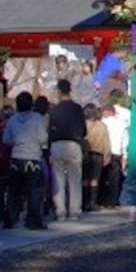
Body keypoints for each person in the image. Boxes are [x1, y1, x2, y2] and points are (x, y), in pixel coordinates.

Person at [3, 91, 49, 230]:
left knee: (14, 191)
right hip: (33, 157)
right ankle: (33, 220)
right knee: (34, 191)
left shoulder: (12, 119)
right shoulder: (37, 119)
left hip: (16, 157)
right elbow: (43, 138)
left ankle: (11, 218)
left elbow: (6, 139)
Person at [48, 79, 86, 220]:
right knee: (75, 180)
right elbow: (84, 130)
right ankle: (74, 211)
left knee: (58, 180)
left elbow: (49, 130)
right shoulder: (77, 108)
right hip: (74, 144)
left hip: (57, 144)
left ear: (59, 91)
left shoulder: (54, 109)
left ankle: (60, 211)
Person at [82, 103, 110, 213]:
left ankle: (84, 202)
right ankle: (93, 202)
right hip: (98, 154)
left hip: (86, 153)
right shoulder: (102, 126)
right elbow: (106, 142)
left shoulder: (83, 124)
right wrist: (107, 155)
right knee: (95, 179)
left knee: (85, 179)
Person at [99, 103, 126, 208]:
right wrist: (124, 155)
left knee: (102, 177)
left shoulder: (102, 122)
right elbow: (125, 140)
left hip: (104, 152)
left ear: (106, 112)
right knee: (114, 179)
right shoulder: (121, 124)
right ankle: (112, 202)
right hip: (117, 153)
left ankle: (101, 200)